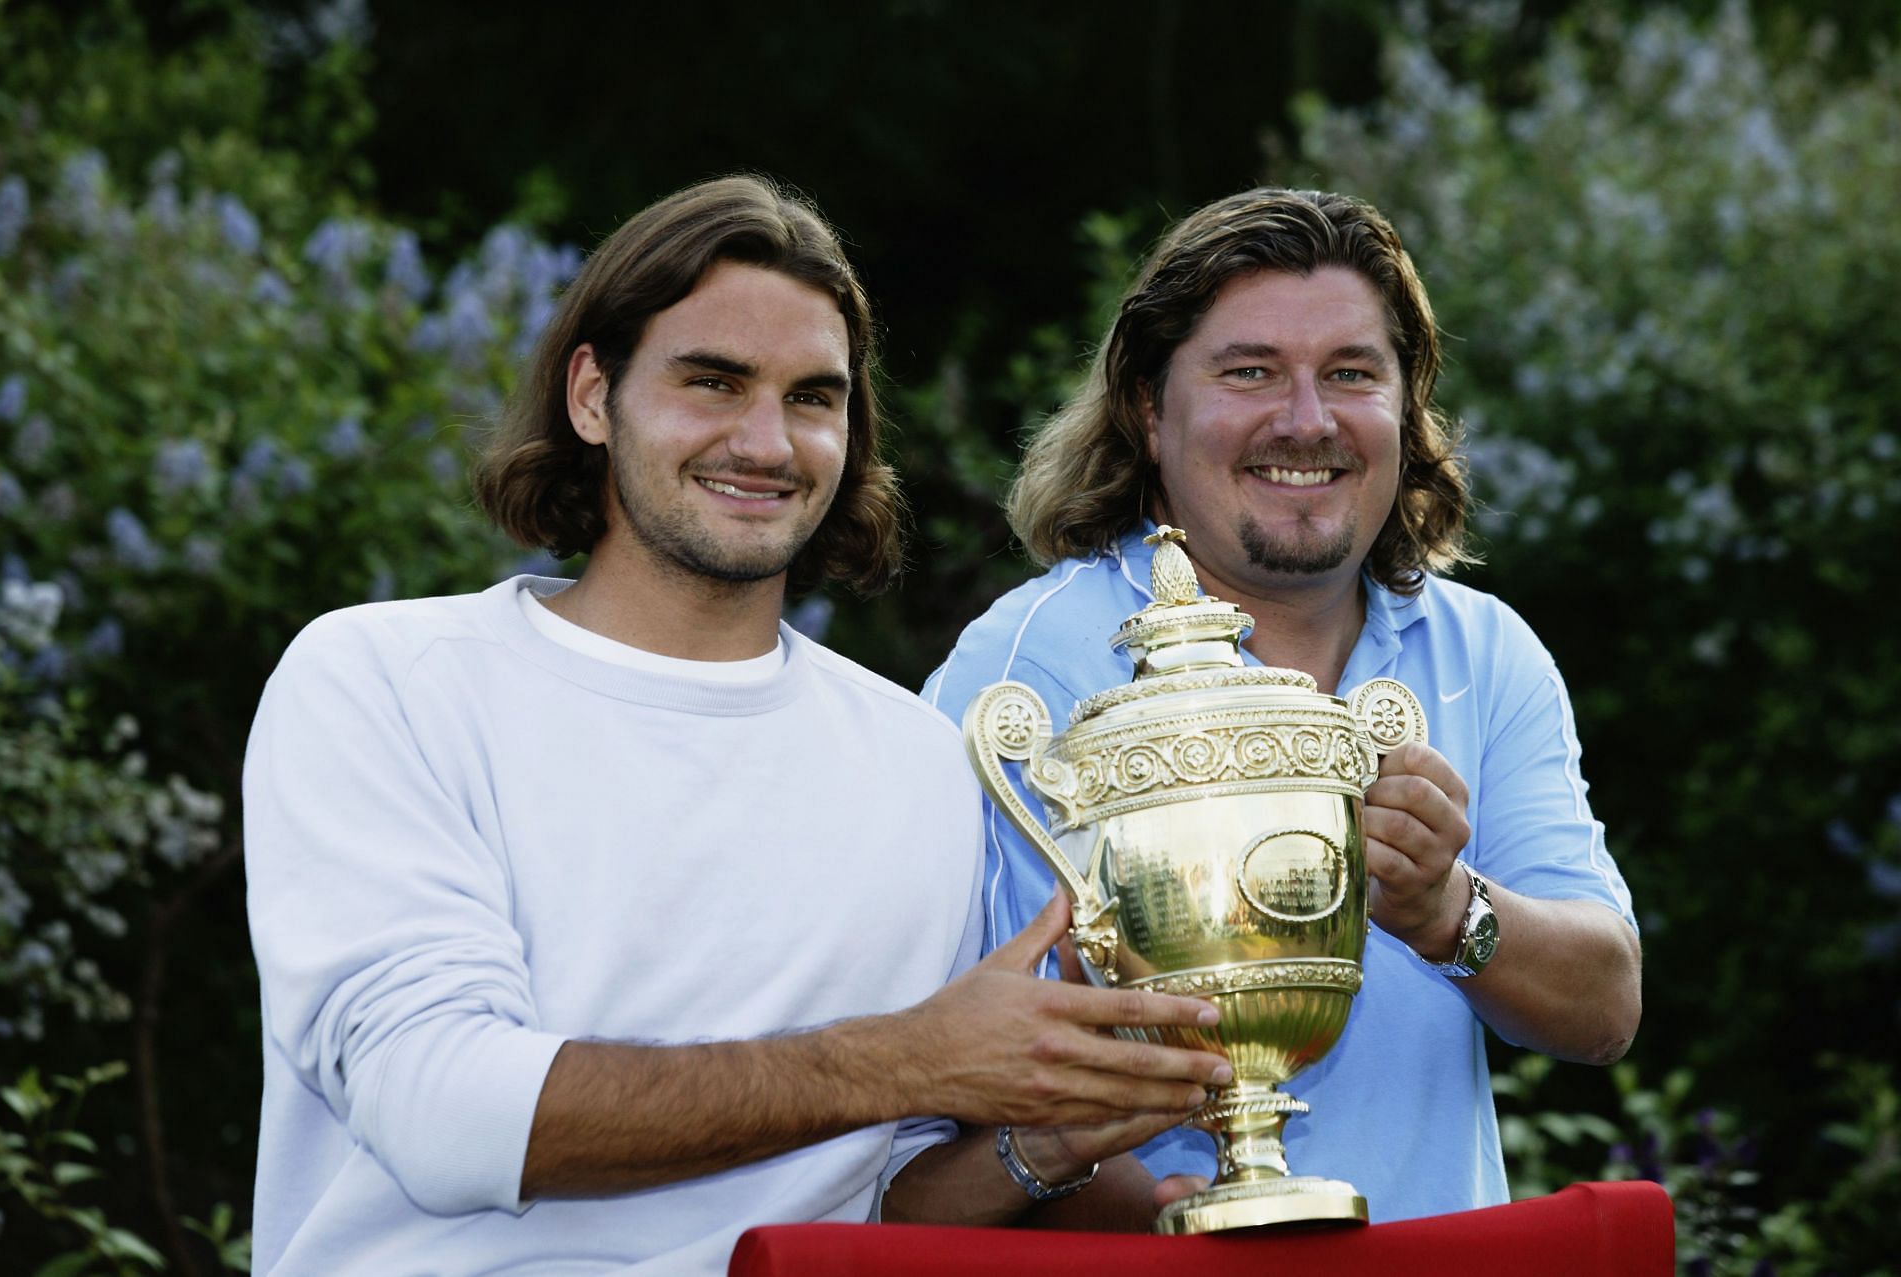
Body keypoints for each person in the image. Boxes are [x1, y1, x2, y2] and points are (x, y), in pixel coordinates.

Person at [242, 175, 1232, 1276]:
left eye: (813, 397)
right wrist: (909, 1059)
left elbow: (864, 1215)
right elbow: (444, 1115)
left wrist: (1044, 1136)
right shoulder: (385, 680)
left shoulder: (913, 763)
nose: (766, 441)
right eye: (712, 382)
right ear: (590, 394)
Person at [924, 187, 1643, 1227]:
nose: (1306, 421)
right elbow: (939, 1090)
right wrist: (1153, 1206)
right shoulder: (1021, 671)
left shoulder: (1485, 650)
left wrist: (1449, 909)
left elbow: (1606, 1003)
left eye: (1351, 374)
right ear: (1148, 408)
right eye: (1249, 371)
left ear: (1405, 409)